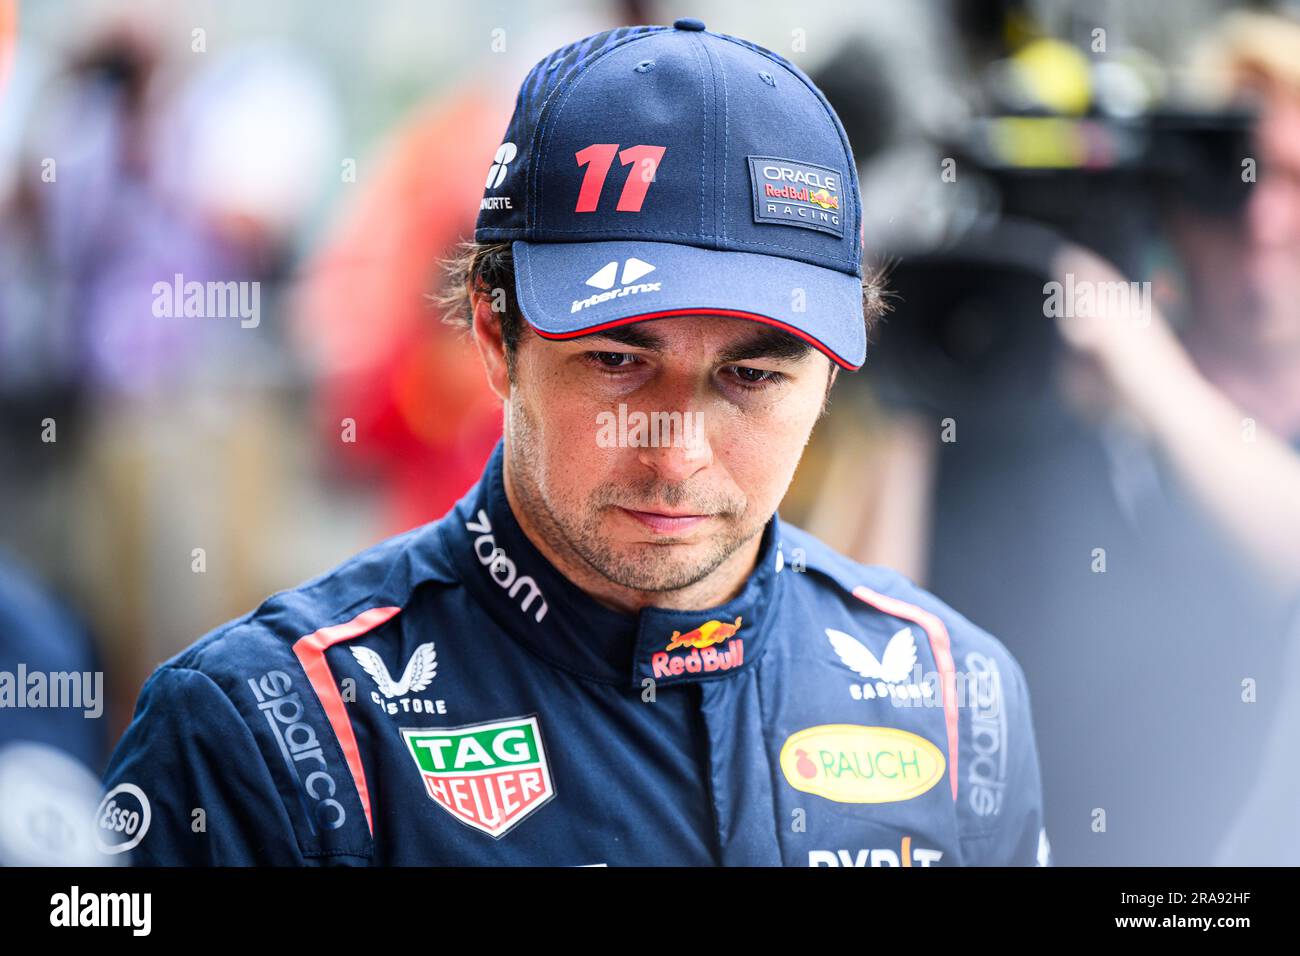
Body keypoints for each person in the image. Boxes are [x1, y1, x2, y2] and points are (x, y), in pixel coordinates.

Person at [99, 19, 1049, 866]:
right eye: (618, 362)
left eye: (753, 377)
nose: (676, 451)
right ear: (492, 335)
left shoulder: (958, 697)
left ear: (837, 375)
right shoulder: (260, 732)